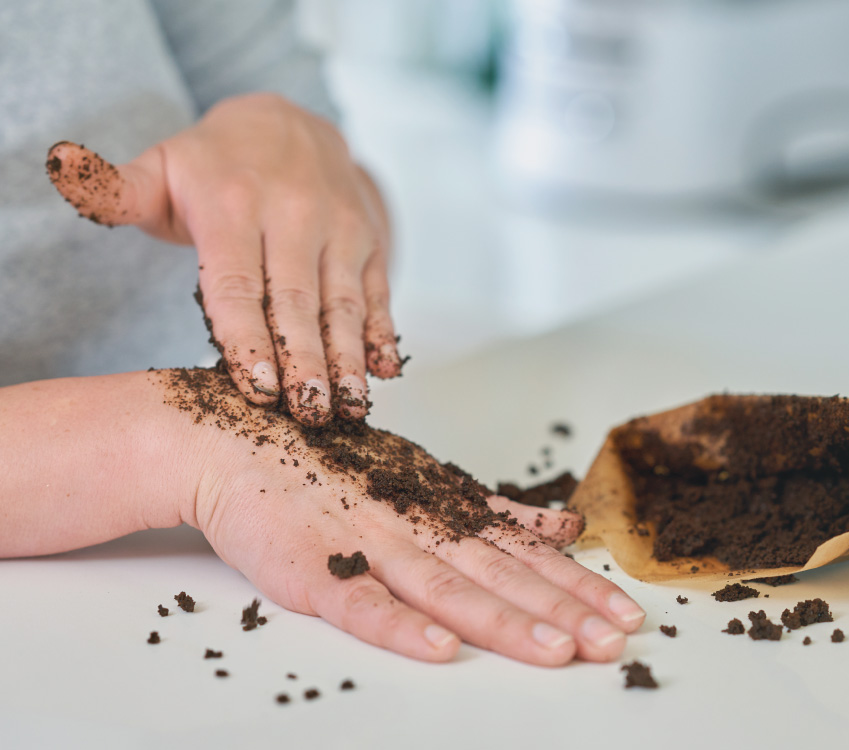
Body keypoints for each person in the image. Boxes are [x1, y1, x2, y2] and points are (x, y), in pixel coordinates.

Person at [0, 0, 645, 666]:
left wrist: (304, 167)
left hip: (258, 470)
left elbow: (347, 210)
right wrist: (170, 438)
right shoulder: (196, 438)